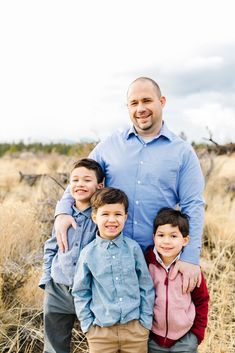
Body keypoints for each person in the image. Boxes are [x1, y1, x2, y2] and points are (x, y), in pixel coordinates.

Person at [55, 76, 205, 293]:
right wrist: (61, 212)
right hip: (110, 253)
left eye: (147, 101)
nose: (140, 108)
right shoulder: (109, 146)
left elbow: (193, 205)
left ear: (162, 101)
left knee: (156, 322)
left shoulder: (182, 152)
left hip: (158, 257)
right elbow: (82, 179)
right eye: (134, 103)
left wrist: (190, 257)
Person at [72, 187, 155, 353]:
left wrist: (145, 322)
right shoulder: (88, 253)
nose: (112, 220)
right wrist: (88, 326)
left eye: (118, 214)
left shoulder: (133, 249)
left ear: (125, 217)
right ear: (94, 217)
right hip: (101, 333)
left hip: (135, 331)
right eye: (105, 214)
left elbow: (146, 286)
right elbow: (81, 292)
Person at [39, 158, 104, 353]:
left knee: (99, 344)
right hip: (57, 290)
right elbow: (51, 248)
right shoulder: (63, 219)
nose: (80, 184)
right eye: (75, 180)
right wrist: (47, 280)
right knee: (54, 346)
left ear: (100, 185)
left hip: (91, 292)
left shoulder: (100, 220)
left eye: (86, 180)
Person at [145, 207, 209, 353]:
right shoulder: (147, 263)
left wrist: (196, 335)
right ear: (154, 237)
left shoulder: (191, 269)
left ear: (185, 240)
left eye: (173, 236)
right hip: (153, 338)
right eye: (161, 235)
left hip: (185, 339)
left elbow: (202, 301)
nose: (166, 241)